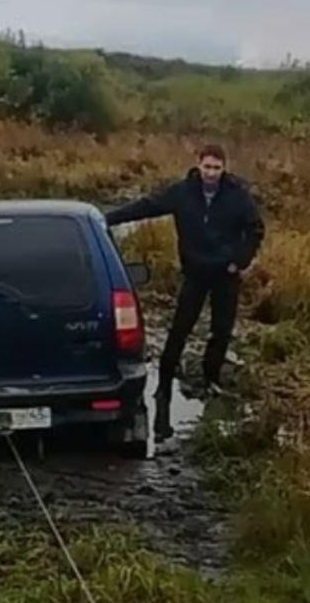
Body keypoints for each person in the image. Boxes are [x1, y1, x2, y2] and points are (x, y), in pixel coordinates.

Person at [105, 144, 265, 440]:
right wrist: (106, 219)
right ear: (198, 165)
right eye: (207, 167)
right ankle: (164, 383)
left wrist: (240, 260)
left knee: (221, 330)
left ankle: (211, 379)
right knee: (181, 326)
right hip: (195, 272)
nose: (211, 173)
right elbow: (146, 206)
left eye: (216, 168)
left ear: (224, 168)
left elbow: (255, 229)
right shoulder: (182, 193)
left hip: (226, 274)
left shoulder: (237, 195)